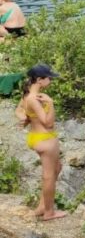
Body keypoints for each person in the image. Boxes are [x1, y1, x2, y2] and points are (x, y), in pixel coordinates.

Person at [15, 64, 67, 221]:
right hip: (45, 139)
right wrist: (50, 103)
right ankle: (49, 212)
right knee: (48, 176)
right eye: (49, 78)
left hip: (36, 137)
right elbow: (48, 123)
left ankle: (42, 206)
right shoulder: (33, 98)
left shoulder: (26, 95)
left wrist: (24, 118)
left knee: (57, 167)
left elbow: (18, 110)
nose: (50, 80)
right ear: (39, 79)